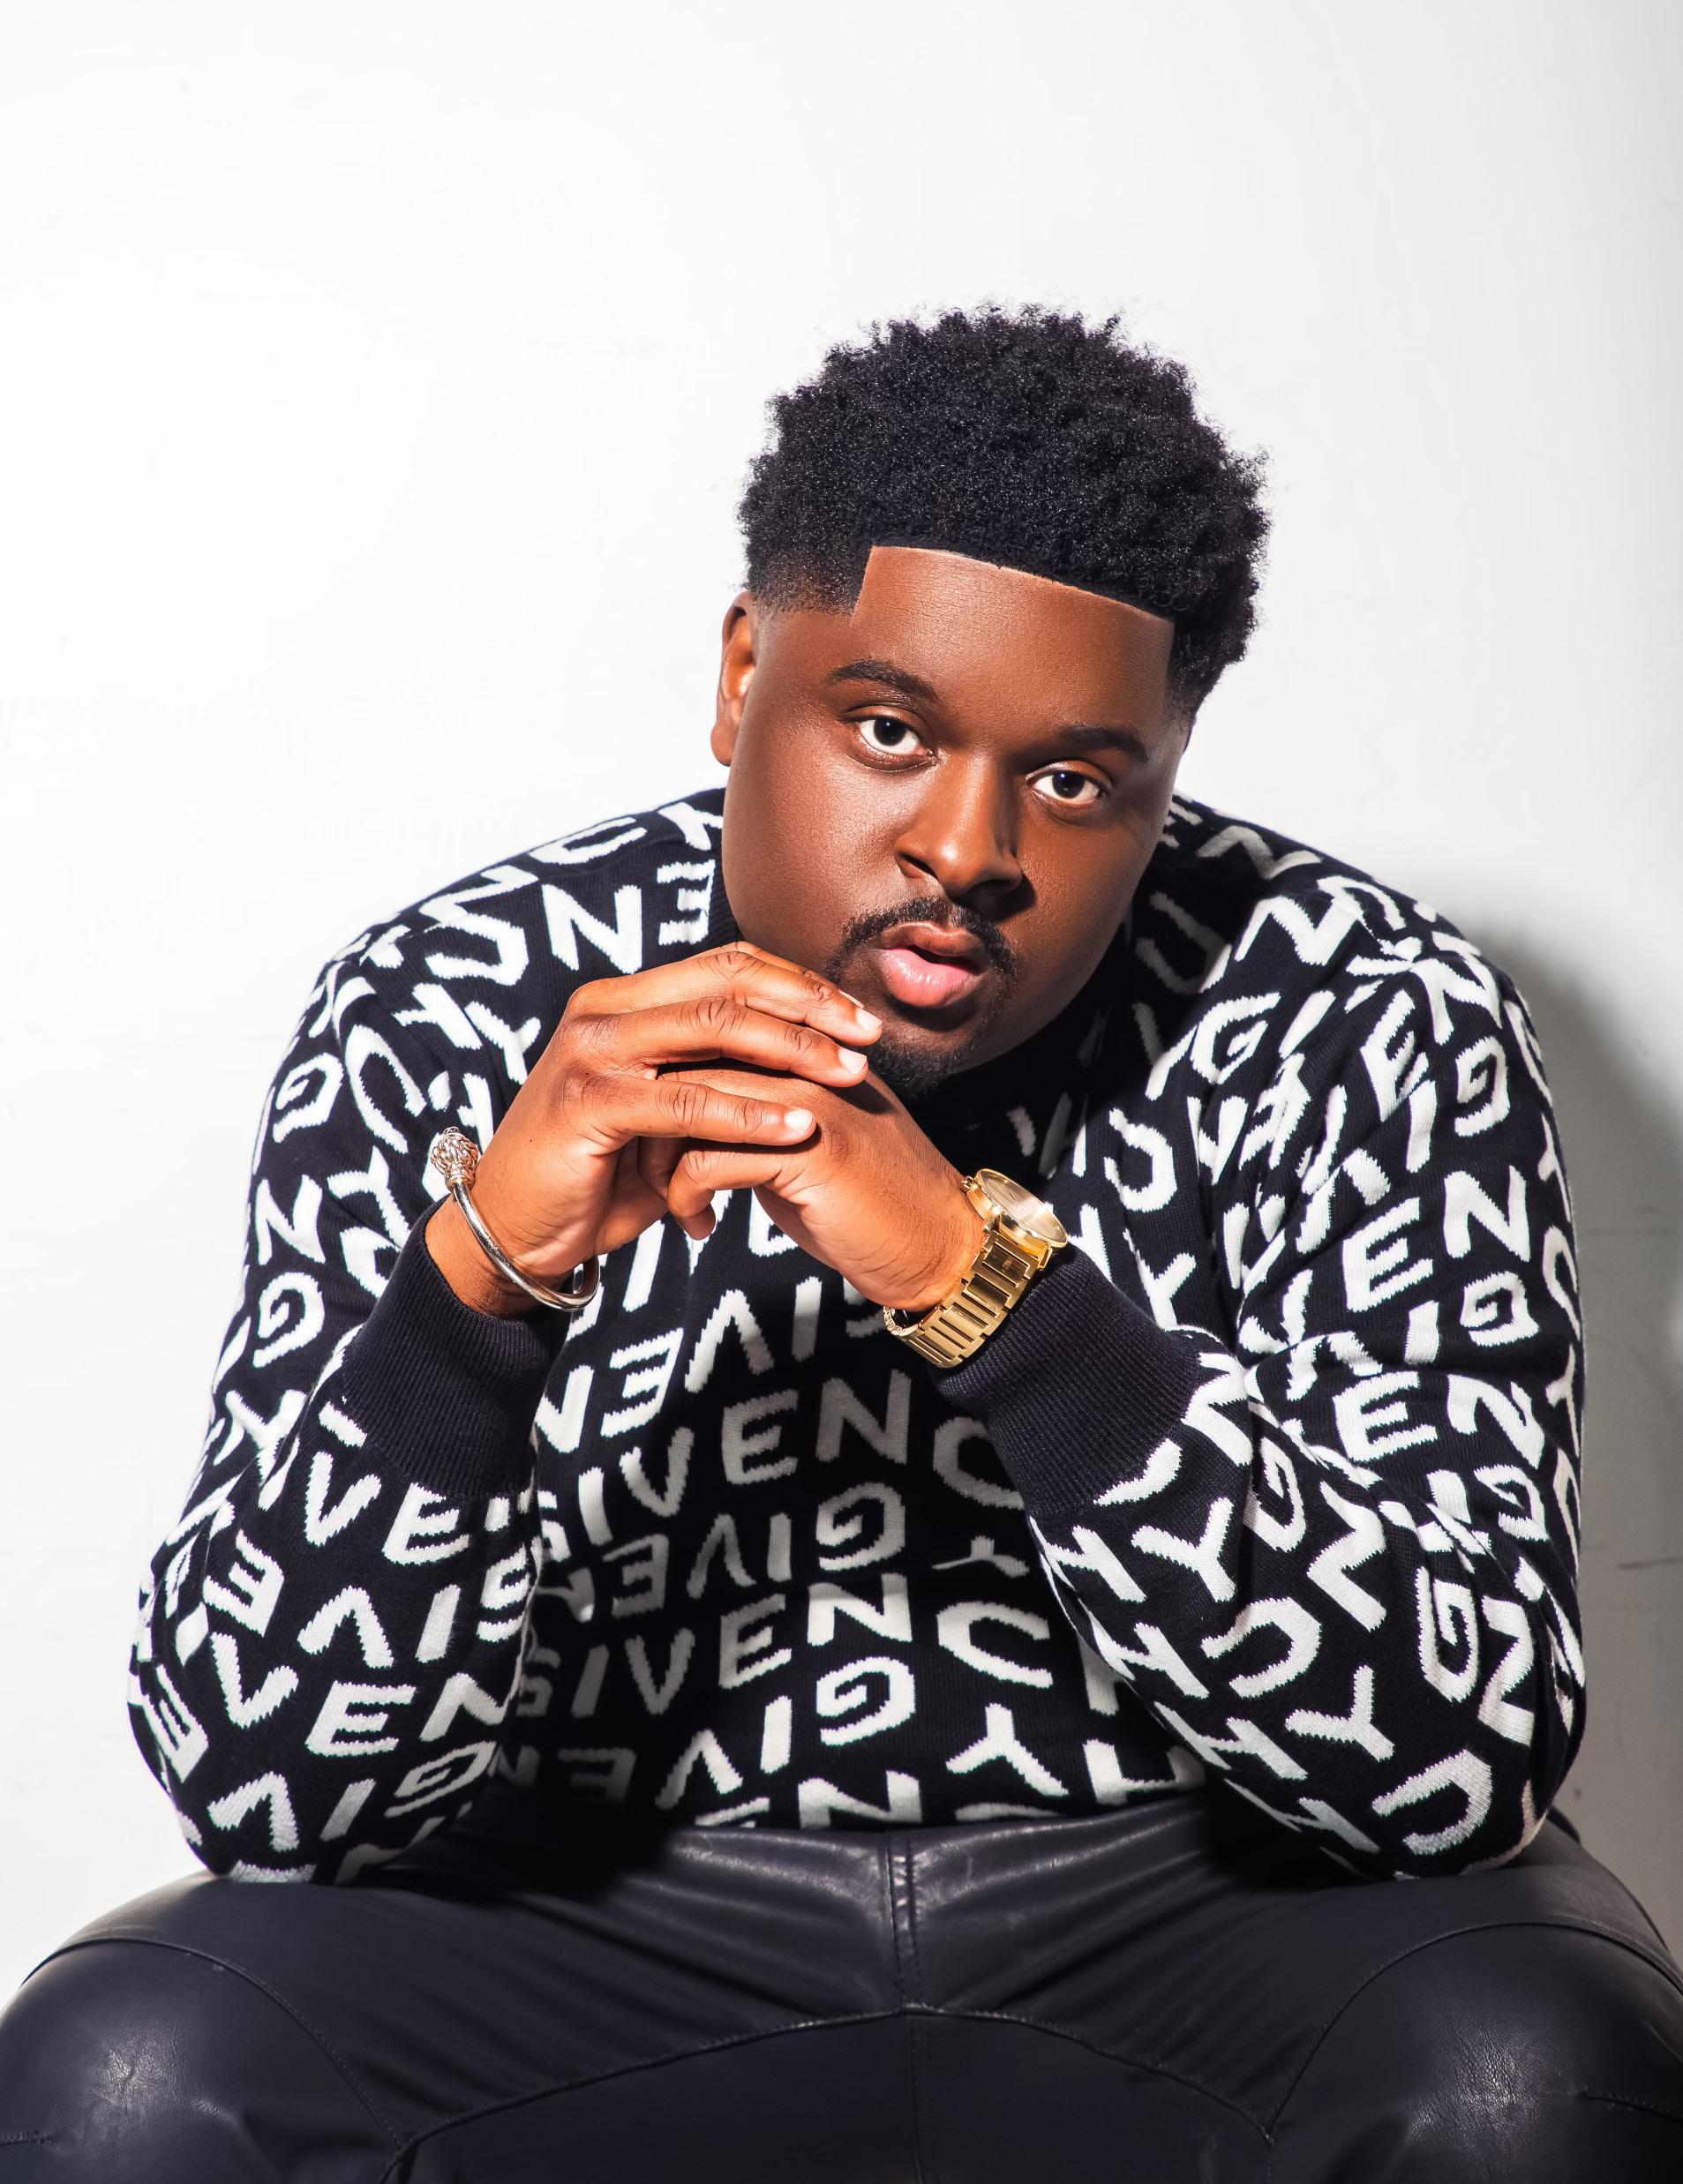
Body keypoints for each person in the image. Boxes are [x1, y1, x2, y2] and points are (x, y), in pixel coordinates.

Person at [1, 302, 1679, 2180]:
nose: (967, 845)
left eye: (1076, 778)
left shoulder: (1366, 1009)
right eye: (890, 729)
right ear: (744, 678)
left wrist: (983, 1285)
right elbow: (262, 1786)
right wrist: (481, 1285)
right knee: (127, 2070)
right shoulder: (453, 1003)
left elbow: (1459, 1760)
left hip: (1204, 1907)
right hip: (584, 1917)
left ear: (1168, 764)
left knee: (1528, 2068)